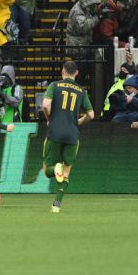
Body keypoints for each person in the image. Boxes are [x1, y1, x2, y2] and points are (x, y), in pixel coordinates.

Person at [42, 61, 94, 213]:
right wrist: (79, 121)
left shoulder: (55, 85)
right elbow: (91, 114)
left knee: (47, 170)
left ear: (62, 71)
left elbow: (45, 104)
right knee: (66, 172)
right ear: (76, 73)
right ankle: (57, 204)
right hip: (72, 134)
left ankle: (55, 168)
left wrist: (48, 118)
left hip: (55, 132)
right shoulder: (82, 91)